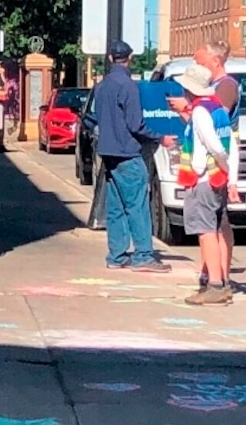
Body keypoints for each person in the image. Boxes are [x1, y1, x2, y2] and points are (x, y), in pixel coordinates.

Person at [89, 42, 160, 270]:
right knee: (137, 204)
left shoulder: (101, 87)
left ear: (110, 58)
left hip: (108, 152)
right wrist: (160, 137)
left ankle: (117, 255)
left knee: (116, 206)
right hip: (127, 152)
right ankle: (143, 255)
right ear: (129, 58)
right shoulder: (128, 86)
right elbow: (135, 124)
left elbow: (93, 118)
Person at [172, 63, 235, 303]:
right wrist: (229, 174)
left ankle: (215, 286)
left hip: (203, 180)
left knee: (205, 232)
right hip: (217, 179)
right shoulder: (218, 109)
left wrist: (216, 165)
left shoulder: (200, 112)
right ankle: (222, 283)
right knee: (217, 229)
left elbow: (214, 146)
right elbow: (230, 143)